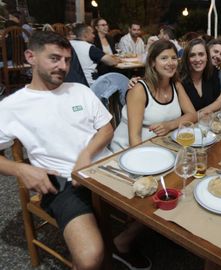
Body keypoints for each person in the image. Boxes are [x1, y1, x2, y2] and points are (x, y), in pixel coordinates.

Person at [0, 31, 150, 270]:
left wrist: (85, 155)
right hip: (62, 181)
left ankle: (121, 243)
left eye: (67, 60)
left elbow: (106, 128)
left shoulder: (79, 90)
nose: (63, 66)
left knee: (162, 199)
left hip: (102, 168)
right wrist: (21, 168)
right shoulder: (12, 106)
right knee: (90, 257)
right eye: (54, 58)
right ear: (31, 57)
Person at [110, 40, 196, 152]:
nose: (170, 63)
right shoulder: (139, 89)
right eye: (164, 58)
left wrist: (170, 125)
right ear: (152, 62)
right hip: (127, 150)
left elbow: (193, 115)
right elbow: (134, 139)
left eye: (174, 58)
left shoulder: (176, 85)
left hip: (159, 146)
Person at [179, 38, 221, 114]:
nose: (197, 59)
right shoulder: (180, 79)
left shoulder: (213, 73)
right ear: (187, 59)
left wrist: (199, 114)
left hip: (208, 122)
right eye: (192, 55)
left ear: (207, 57)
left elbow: (219, 101)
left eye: (201, 54)